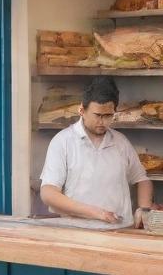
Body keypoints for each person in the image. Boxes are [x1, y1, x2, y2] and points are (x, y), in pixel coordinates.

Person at [39, 76, 153, 227]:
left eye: (108, 116)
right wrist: (97, 214)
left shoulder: (121, 142)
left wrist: (144, 209)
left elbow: (142, 180)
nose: (102, 122)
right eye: (97, 115)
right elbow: (48, 193)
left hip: (119, 230)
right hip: (77, 231)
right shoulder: (63, 142)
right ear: (82, 110)